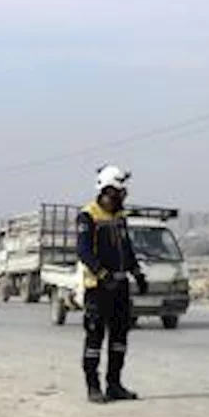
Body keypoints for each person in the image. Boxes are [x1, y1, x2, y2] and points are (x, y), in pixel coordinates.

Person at [77, 165, 146, 403]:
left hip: (120, 287)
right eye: (118, 193)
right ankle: (93, 387)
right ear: (106, 191)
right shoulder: (89, 215)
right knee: (95, 339)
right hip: (98, 288)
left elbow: (126, 248)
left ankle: (114, 384)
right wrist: (102, 273)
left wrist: (137, 273)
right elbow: (83, 251)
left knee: (119, 339)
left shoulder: (119, 217)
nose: (121, 198)